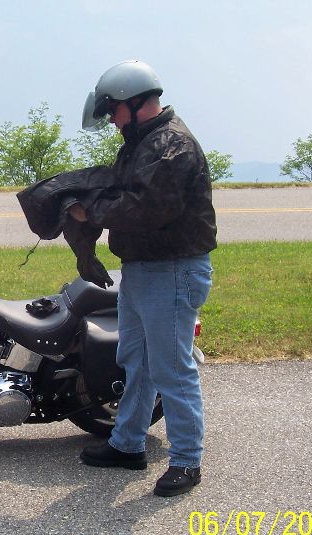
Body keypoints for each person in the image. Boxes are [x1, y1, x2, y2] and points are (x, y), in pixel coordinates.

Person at [72, 60, 217, 497]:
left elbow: (147, 210)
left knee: (172, 369)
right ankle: (127, 443)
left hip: (171, 270)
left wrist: (89, 212)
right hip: (142, 270)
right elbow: (121, 191)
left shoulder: (171, 146)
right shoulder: (142, 144)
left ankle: (187, 461)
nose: (112, 121)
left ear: (134, 102)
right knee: (136, 360)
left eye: (113, 111)